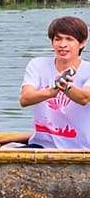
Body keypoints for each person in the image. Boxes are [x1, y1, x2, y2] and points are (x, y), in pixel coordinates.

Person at [18, 16, 90, 148]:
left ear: (82, 42)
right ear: (52, 42)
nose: (62, 44)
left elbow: (84, 97)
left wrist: (65, 87)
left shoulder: (88, 70)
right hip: (41, 146)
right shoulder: (37, 65)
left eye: (69, 39)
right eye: (58, 39)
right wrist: (52, 92)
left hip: (81, 148)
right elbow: (25, 99)